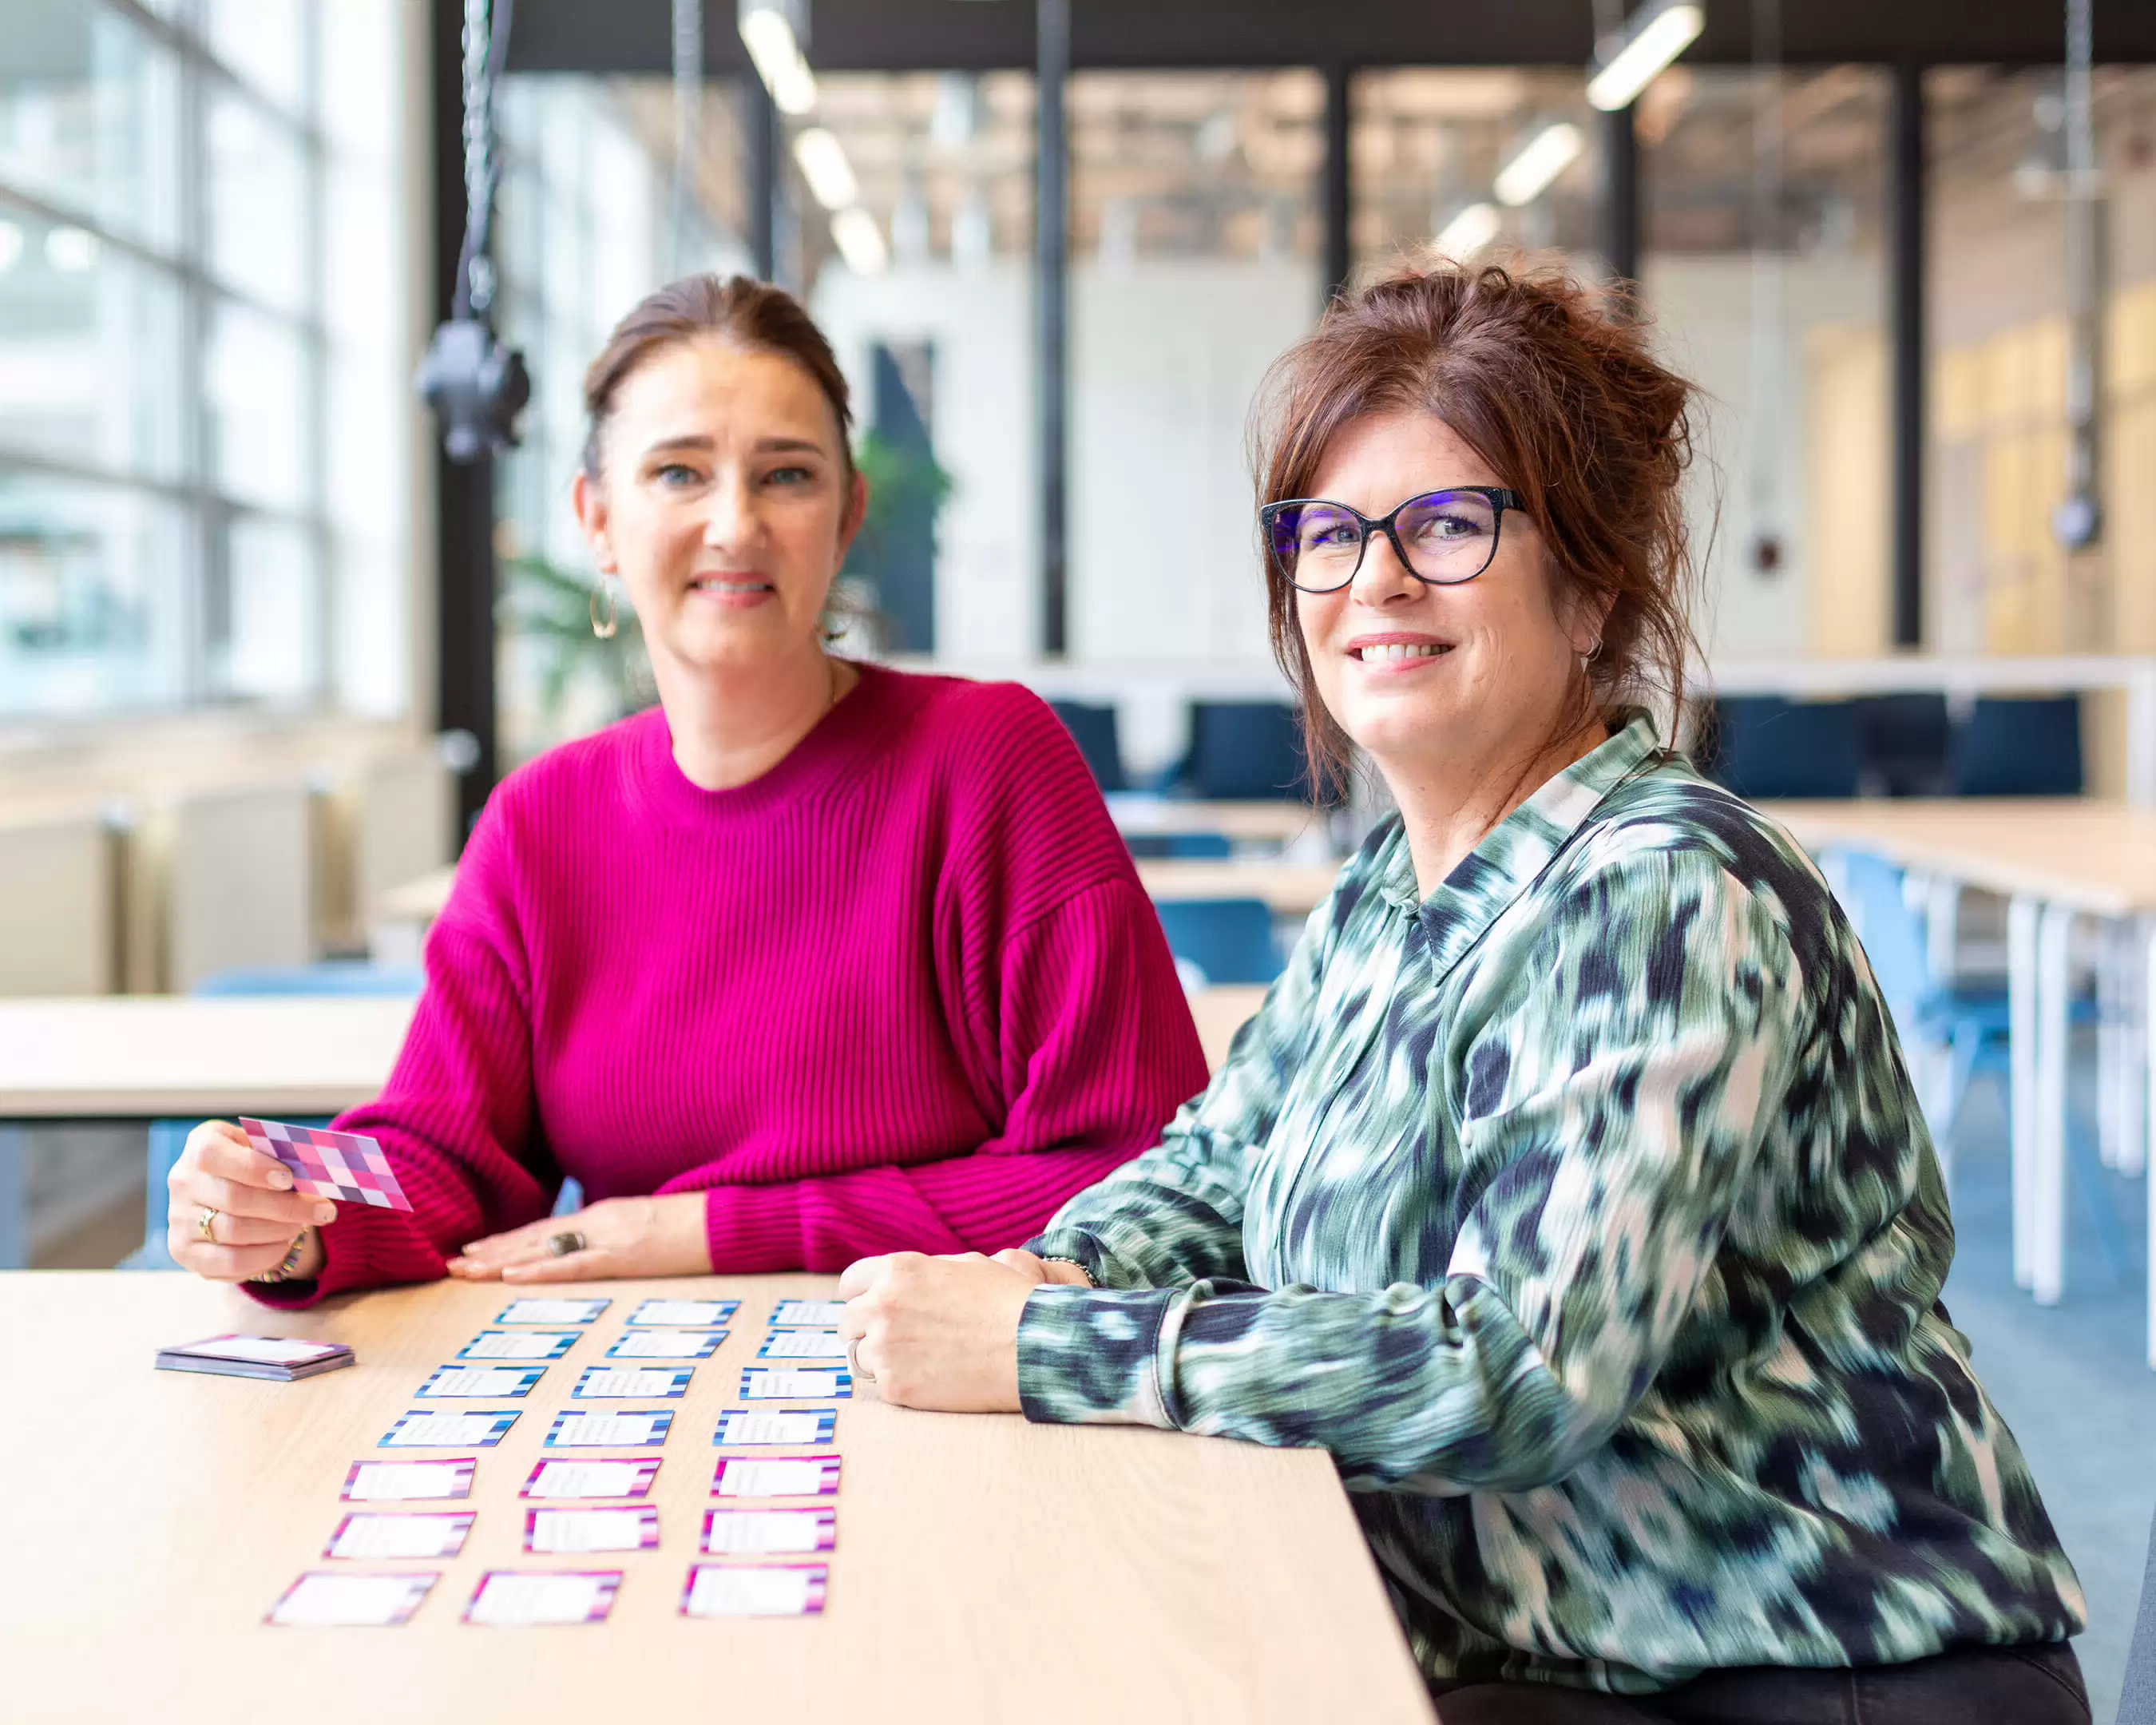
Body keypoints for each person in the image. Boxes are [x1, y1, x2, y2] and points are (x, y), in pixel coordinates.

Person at [834, 260, 2091, 1723]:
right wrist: (1053, 1274)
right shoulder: (1394, 891)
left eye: (1446, 524)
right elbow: (1213, 1170)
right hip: (1543, 1644)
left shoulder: (1669, 889)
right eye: (1331, 532)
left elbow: (1518, 1368)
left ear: (1591, 586)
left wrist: (1051, 1347)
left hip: (1806, 1667)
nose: (1373, 578)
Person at [164, 273, 1207, 1304]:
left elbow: (1136, 1175)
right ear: (598, 520)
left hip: (942, 1383)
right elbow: (447, 1154)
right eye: (677, 473)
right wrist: (289, 1215)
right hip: (638, 1393)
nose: (734, 524)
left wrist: (710, 1227)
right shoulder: (540, 822)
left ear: (848, 517)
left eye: (787, 475)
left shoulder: (991, 761)